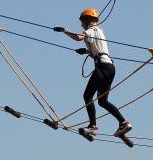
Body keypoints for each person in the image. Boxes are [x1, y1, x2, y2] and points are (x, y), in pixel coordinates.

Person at [54, 8, 132, 138]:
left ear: (87, 20)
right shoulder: (99, 32)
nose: (81, 25)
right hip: (109, 67)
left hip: (102, 67)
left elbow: (79, 37)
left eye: (82, 22)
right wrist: (86, 51)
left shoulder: (91, 30)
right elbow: (98, 49)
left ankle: (93, 127)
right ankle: (124, 122)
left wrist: (65, 31)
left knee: (87, 96)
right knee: (102, 101)